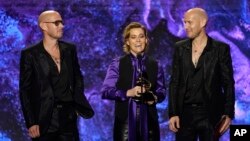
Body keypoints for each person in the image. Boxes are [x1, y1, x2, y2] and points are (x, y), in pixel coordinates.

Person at [19, 10, 94, 141]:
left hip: (68, 117)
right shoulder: (30, 54)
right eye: (56, 23)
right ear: (44, 26)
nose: (62, 26)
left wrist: (76, 103)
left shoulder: (70, 49)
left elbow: (77, 78)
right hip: (44, 119)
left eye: (62, 23)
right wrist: (31, 122)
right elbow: (25, 90)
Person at [168, 8, 235, 141]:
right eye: (184, 22)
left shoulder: (220, 49)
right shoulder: (180, 48)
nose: (186, 26)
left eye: (189, 22)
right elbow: (175, 82)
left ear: (203, 22)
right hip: (184, 114)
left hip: (211, 114)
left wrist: (228, 113)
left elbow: (228, 83)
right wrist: (173, 113)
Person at [101, 22, 166, 141]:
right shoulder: (117, 64)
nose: (138, 41)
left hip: (150, 124)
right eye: (133, 37)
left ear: (146, 40)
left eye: (141, 36)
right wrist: (128, 93)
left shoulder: (156, 65)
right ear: (127, 41)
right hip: (125, 124)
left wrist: (154, 98)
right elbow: (106, 91)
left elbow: (161, 91)